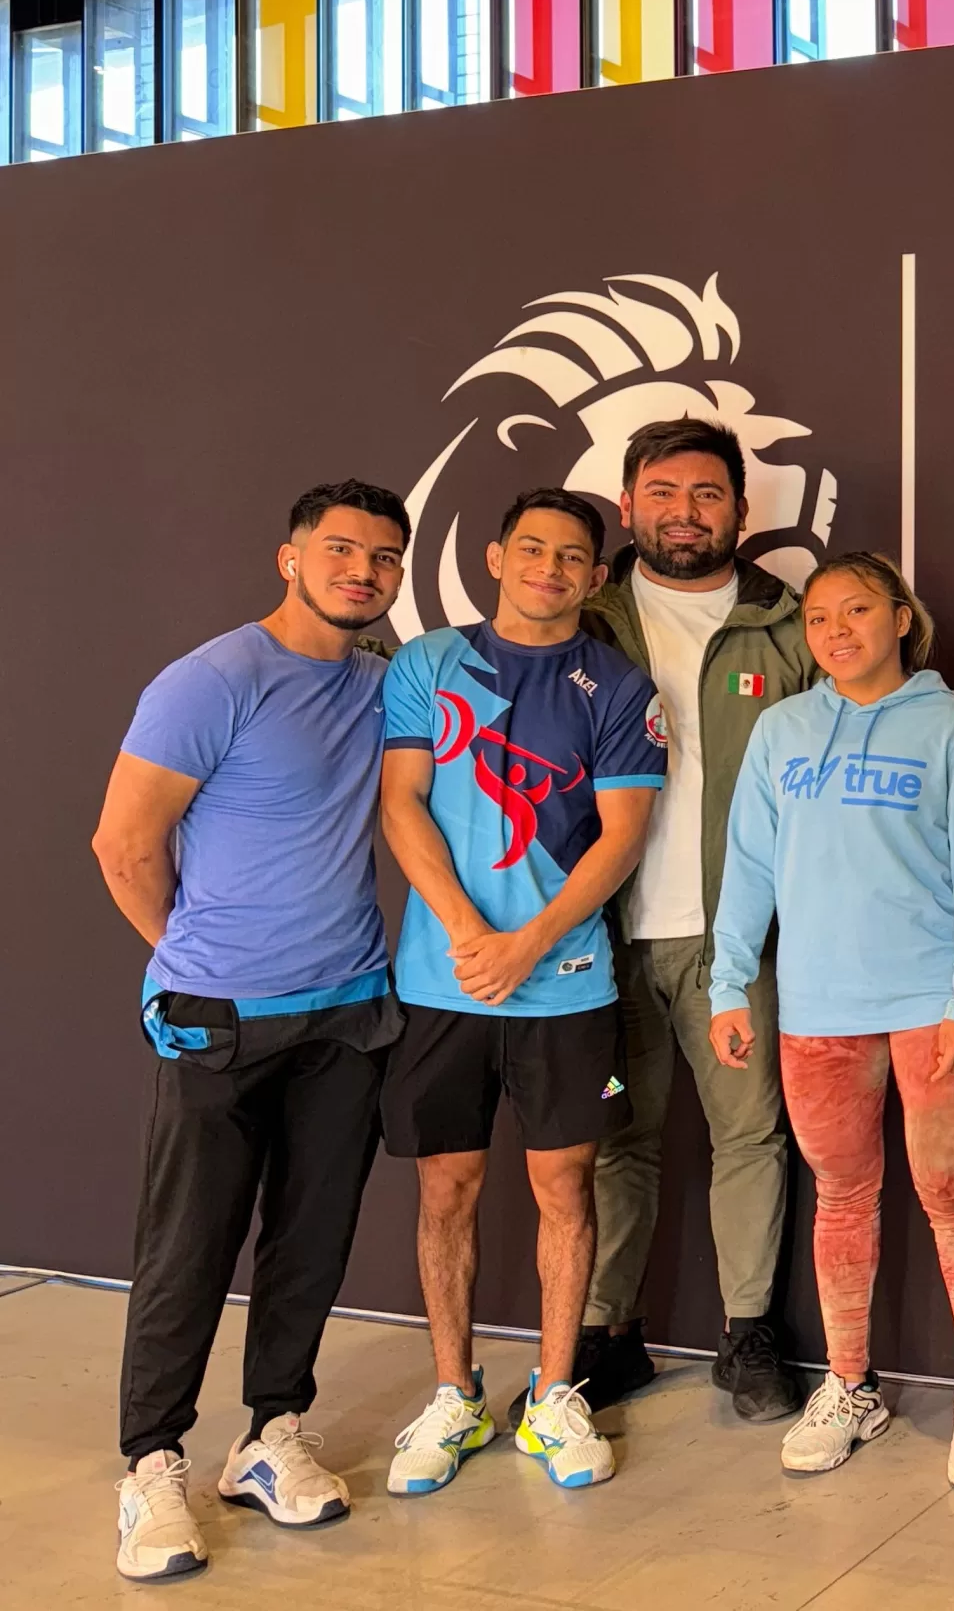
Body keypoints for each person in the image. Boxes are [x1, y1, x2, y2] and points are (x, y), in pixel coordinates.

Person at [575, 418, 954, 1423]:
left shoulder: (781, 627)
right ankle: (611, 1336)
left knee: (766, 1143)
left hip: (803, 970)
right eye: (662, 491)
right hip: (610, 942)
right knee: (615, 1130)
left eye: (707, 493)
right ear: (628, 502)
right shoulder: (584, 619)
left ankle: (764, 1340)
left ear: (740, 509)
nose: (685, 511)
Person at [90, 481, 414, 1582]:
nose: (363, 571)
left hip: (349, 1012)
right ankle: (152, 1464)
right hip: (219, 1019)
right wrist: (194, 956)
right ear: (290, 557)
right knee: (187, 1247)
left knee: (310, 1240)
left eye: (384, 556)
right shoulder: (213, 679)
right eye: (341, 549)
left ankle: (271, 1433)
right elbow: (124, 845)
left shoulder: (381, 685)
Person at [377, 489, 664, 1495]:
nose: (550, 567)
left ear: (596, 576)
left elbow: (622, 837)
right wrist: (470, 935)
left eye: (572, 555)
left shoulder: (618, 687)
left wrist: (529, 943)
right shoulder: (427, 662)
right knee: (445, 1189)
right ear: (496, 557)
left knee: (565, 1189)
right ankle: (454, 1395)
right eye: (532, 548)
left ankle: (552, 1395)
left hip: (566, 986)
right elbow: (401, 803)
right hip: (444, 982)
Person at [707, 552, 954, 1488]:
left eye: (857, 610)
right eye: (818, 617)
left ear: (900, 619)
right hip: (817, 1008)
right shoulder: (782, 729)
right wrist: (728, 984)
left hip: (929, 1004)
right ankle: (851, 1387)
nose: (835, 631)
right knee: (841, 1197)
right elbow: (749, 864)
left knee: (953, 1192)